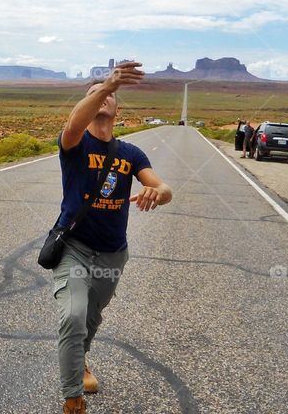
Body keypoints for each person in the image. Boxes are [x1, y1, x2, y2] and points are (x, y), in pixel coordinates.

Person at [52, 61, 173, 414]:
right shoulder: (74, 143)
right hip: (73, 247)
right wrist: (105, 85)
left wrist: (159, 192)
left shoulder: (130, 154)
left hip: (111, 254)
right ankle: (73, 399)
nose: (102, 99)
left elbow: (163, 187)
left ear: (118, 110)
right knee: (73, 316)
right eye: (94, 95)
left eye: (108, 97)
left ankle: (81, 359)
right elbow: (74, 122)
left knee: (90, 318)